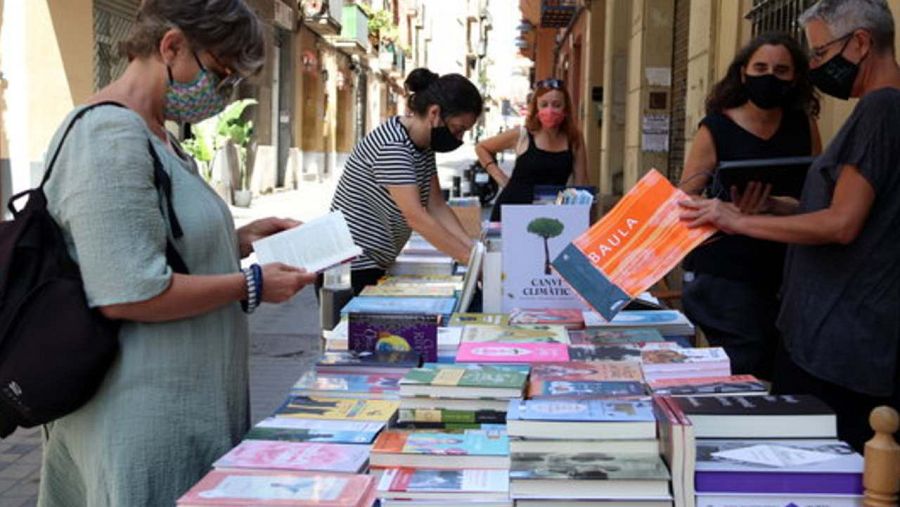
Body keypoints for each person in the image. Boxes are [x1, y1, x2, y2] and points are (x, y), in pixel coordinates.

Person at [37, 1, 317, 505]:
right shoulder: (107, 136)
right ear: (171, 46)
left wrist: (240, 239)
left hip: (186, 406)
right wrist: (251, 284)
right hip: (140, 417)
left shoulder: (159, 136)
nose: (223, 94)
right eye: (221, 73)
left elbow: (155, 241)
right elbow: (127, 290)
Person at [681, 0, 900, 452]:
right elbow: (847, 207)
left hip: (841, 344)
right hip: (827, 332)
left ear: (860, 43)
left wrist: (736, 219)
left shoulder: (880, 110)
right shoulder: (875, 110)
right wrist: (781, 208)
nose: (817, 65)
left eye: (819, 54)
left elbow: (842, 224)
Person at [678, 33, 822, 379]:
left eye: (781, 70)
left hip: (787, 269)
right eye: (760, 67)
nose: (770, 76)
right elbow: (683, 198)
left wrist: (774, 205)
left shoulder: (804, 125)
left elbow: (818, 199)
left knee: (782, 366)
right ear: (743, 73)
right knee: (747, 364)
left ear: (796, 77)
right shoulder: (716, 127)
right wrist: (725, 207)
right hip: (726, 272)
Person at [329, 68, 482, 295]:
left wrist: (473, 251)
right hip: (350, 268)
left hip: (375, 262)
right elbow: (416, 216)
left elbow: (436, 206)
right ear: (434, 113)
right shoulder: (393, 147)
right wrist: (469, 259)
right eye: (457, 129)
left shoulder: (423, 144)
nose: (458, 139)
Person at [475, 78, 589, 222]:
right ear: (536, 108)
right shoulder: (522, 135)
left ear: (565, 108)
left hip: (553, 214)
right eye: (544, 105)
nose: (550, 110)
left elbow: (582, 184)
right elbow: (482, 147)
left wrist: (582, 218)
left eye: (557, 105)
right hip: (513, 211)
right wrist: (501, 178)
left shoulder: (574, 138)